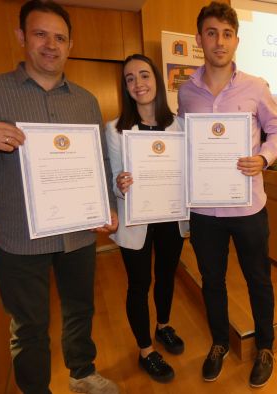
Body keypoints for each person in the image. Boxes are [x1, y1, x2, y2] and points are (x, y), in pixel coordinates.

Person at [0, 1, 119, 393]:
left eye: (60, 37)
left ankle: (82, 373)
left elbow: (98, 160)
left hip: (78, 232)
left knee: (80, 309)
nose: (51, 45)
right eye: (40, 34)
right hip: (19, 236)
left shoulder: (85, 101)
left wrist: (108, 204)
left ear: (70, 44)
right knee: (28, 325)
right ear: (21, 38)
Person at [177, 1, 277, 388]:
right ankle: (220, 343)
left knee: (259, 279)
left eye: (226, 34)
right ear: (199, 39)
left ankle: (266, 346)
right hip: (205, 211)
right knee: (213, 281)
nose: (219, 42)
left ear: (236, 40)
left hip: (249, 206)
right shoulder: (185, 92)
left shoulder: (256, 86)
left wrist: (263, 157)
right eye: (211, 33)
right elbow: (182, 144)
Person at [105, 54, 185, 384]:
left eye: (144, 75)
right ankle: (145, 350)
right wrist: (120, 184)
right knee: (139, 285)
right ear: (125, 88)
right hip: (137, 220)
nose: (138, 84)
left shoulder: (178, 124)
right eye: (130, 79)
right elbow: (113, 178)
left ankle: (163, 326)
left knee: (167, 276)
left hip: (169, 215)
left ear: (156, 81)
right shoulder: (115, 128)